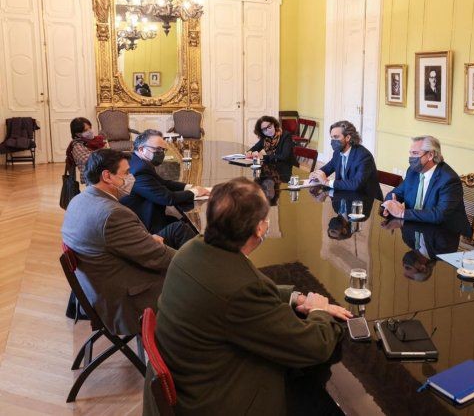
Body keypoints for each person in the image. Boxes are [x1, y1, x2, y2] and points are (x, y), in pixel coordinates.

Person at [142, 178, 351, 415]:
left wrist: (296, 298)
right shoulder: (241, 290)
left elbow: (236, 292)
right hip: (213, 401)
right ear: (260, 228)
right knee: (313, 387)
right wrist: (319, 311)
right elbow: (314, 347)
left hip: (190, 383)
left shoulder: (191, 250)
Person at [61, 149, 175, 335]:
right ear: (107, 176)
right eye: (126, 173)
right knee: (195, 282)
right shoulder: (112, 214)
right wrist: (191, 263)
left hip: (100, 288)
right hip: (126, 303)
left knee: (175, 232)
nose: (131, 178)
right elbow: (159, 257)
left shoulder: (79, 200)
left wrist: (147, 240)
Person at [119, 130, 205, 246]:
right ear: (141, 149)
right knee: (183, 227)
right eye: (158, 149)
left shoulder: (137, 160)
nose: (161, 153)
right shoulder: (139, 170)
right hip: (146, 229)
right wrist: (195, 192)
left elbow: (163, 183)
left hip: (150, 217)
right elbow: (167, 198)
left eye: (163, 150)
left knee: (186, 223)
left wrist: (189, 187)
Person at [382, 136, 472, 236]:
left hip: (445, 234)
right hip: (416, 229)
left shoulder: (449, 180)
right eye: (410, 153)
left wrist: (402, 213)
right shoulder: (412, 171)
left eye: (415, 153)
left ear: (430, 155)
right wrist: (390, 205)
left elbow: (439, 214)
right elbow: (396, 193)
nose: (411, 158)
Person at [309, 120, 383, 200]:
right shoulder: (337, 153)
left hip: (365, 200)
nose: (333, 141)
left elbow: (356, 184)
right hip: (345, 196)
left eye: (336, 137)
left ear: (348, 137)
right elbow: (327, 168)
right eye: (332, 137)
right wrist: (315, 175)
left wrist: (326, 182)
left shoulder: (363, 156)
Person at [66, 117, 107, 184]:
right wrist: (104, 153)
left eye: (90, 128)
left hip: (104, 172)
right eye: (85, 130)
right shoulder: (77, 145)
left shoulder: (97, 140)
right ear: (77, 134)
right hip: (93, 176)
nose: (90, 131)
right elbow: (90, 161)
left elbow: (108, 154)